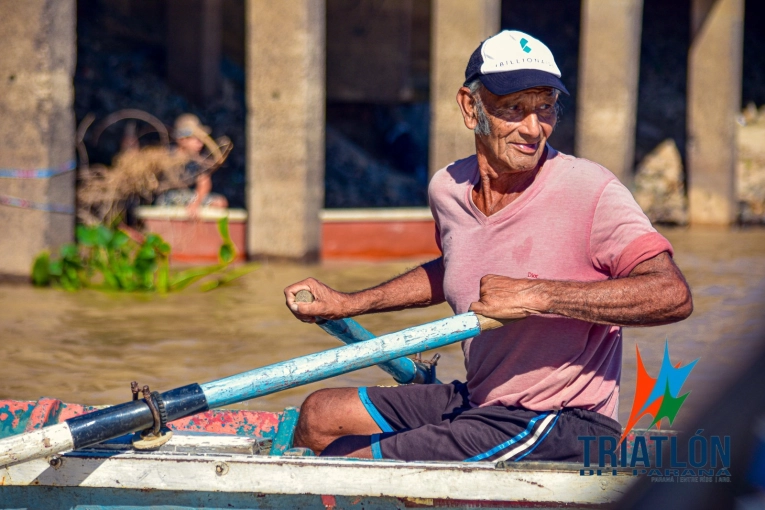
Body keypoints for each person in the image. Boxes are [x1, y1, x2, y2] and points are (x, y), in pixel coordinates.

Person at [283, 30, 693, 463]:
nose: (534, 129)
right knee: (320, 415)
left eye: (546, 107)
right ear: (469, 106)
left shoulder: (591, 190)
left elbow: (671, 294)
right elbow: (456, 267)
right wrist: (350, 303)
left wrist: (539, 295)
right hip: (480, 401)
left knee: (355, 464)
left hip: (562, 422)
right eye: (514, 108)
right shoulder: (448, 188)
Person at [155, 114, 228, 218]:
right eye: (196, 139)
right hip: (166, 198)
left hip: (188, 197)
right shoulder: (167, 156)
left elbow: (204, 182)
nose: (200, 143)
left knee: (219, 202)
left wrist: (196, 203)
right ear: (182, 139)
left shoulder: (196, 160)